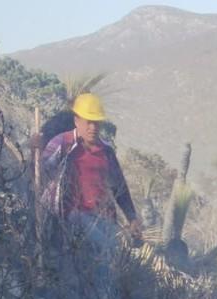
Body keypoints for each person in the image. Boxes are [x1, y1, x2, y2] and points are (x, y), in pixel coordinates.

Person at [38, 93, 142, 257]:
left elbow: (119, 187)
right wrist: (34, 151)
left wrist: (132, 218)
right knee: (105, 251)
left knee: (110, 258)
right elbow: (40, 174)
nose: (92, 128)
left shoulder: (106, 151)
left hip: (103, 218)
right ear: (77, 120)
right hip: (70, 216)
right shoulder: (62, 144)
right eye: (88, 122)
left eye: (96, 122)